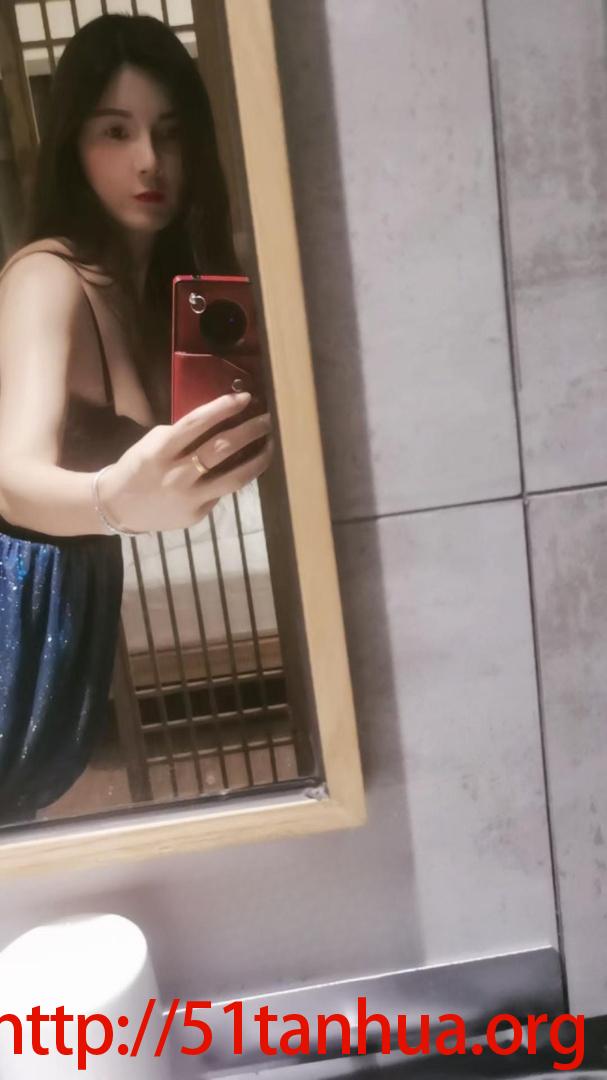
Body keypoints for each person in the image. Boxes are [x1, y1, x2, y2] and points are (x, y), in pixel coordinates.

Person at [0, 13, 273, 818]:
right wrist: (115, 502)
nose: (149, 160)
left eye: (171, 133)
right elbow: (10, 479)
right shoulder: (48, 277)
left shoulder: (165, 295)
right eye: (115, 131)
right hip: (16, 601)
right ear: (73, 146)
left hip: (67, 599)